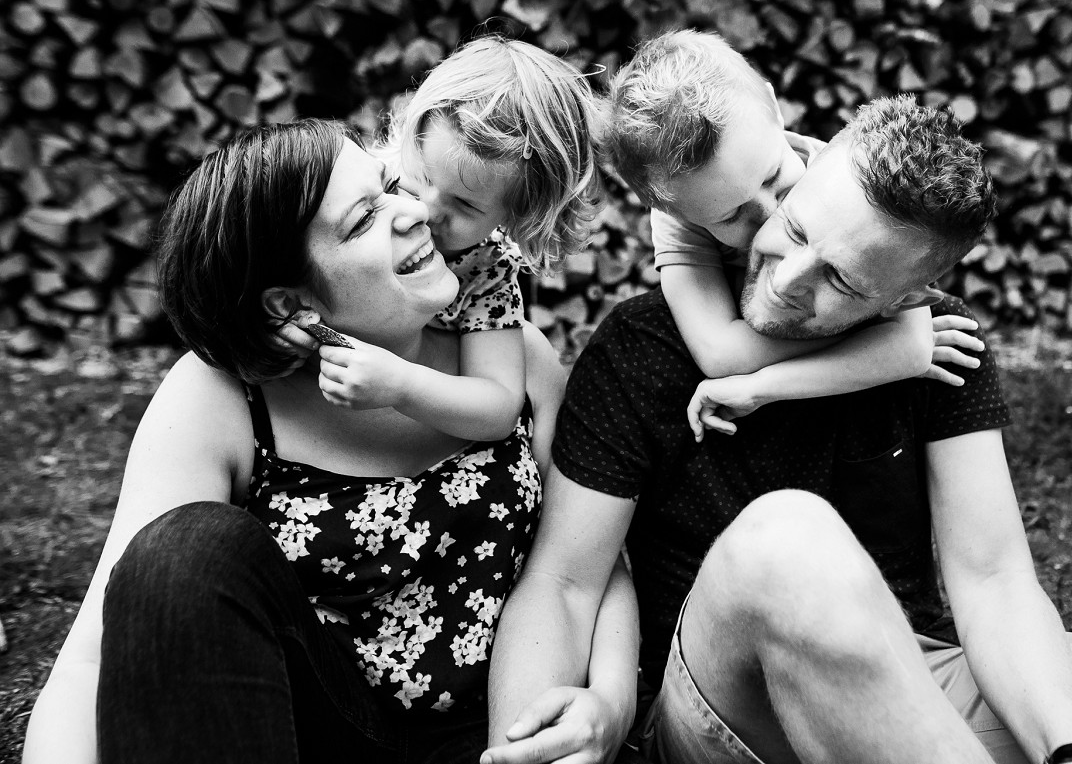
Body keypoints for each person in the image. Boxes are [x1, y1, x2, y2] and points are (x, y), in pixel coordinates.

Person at [485, 92, 1072, 764]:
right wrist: (527, 739)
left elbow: (994, 579)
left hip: (913, 681)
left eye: (844, 282)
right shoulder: (642, 349)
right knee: (788, 540)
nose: (787, 278)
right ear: (800, 171)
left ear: (910, 299)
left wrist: (1070, 749)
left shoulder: (940, 346)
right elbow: (566, 581)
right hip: (717, 712)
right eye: (795, 227)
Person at [21, 119, 638, 764]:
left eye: (391, 186)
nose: (415, 212)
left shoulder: (511, 364)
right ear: (291, 303)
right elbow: (101, 652)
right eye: (363, 220)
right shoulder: (222, 398)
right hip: (308, 734)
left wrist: (612, 703)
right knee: (179, 551)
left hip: (493, 740)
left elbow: (593, 559)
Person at [604, 30, 981, 441]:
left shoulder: (845, 181)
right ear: (670, 210)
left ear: (772, 105)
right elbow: (720, 354)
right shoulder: (679, 213)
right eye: (731, 215)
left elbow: (908, 349)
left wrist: (762, 388)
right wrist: (871, 341)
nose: (770, 216)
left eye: (774, 178)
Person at [273, 36, 601, 444]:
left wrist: (403, 386)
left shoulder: (487, 271)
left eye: (464, 205)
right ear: (414, 136)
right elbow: (286, 251)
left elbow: (499, 407)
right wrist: (274, 324)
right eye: (423, 177)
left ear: (519, 215)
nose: (425, 210)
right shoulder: (368, 185)